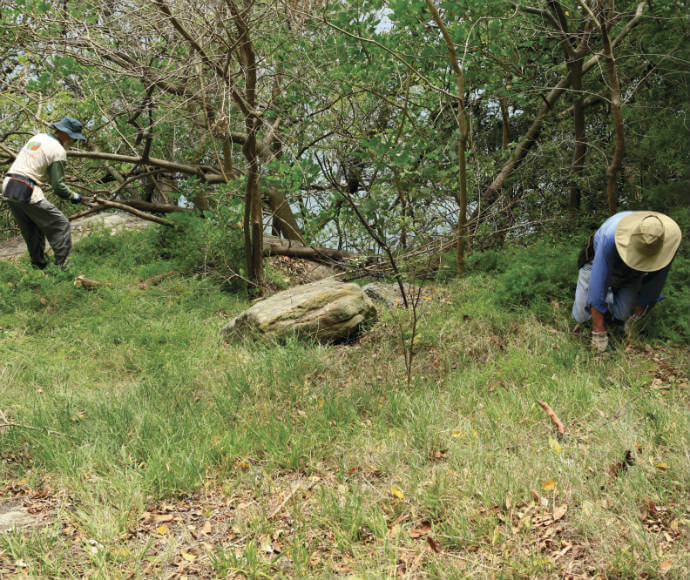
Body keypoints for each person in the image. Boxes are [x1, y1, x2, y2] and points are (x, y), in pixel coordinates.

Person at [572, 211, 682, 352]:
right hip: (596, 262)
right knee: (581, 316)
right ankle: (596, 317)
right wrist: (598, 333)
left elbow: (656, 281)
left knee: (622, 315)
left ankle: (608, 315)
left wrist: (638, 315)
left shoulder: (669, 244)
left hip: (633, 273)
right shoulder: (609, 237)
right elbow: (598, 282)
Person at [2, 116, 86, 270]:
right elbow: (59, 187)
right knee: (61, 224)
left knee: (32, 229)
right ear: (66, 134)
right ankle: (64, 268)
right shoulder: (59, 150)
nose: (74, 142)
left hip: (9, 185)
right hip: (26, 188)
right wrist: (75, 196)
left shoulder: (38, 137)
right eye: (74, 138)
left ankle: (38, 267)